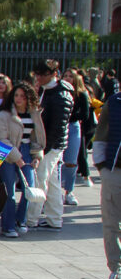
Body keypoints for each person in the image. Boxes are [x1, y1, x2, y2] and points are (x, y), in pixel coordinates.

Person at [0, 84, 45, 239]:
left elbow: (38, 137)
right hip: (9, 153)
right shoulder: (3, 116)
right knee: (10, 192)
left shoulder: (34, 114)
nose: (19, 99)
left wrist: (37, 156)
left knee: (30, 189)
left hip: (28, 150)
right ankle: (8, 226)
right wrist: (17, 158)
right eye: (16, 95)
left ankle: (20, 220)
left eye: (23, 96)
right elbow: (1, 139)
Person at [29, 60, 73, 230]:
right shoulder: (48, 90)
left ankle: (31, 218)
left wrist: (44, 149)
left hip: (51, 145)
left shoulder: (60, 95)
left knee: (40, 180)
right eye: (37, 74)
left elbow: (58, 128)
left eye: (43, 74)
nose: (39, 77)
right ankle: (54, 218)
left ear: (54, 74)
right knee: (52, 182)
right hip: (51, 144)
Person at [92, 83, 121, 279]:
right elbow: (101, 135)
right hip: (115, 169)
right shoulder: (115, 102)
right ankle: (117, 268)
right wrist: (102, 166)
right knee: (112, 222)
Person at [62, 69, 92, 207]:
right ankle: (56, 192)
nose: (68, 78)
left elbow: (85, 115)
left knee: (71, 161)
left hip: (73, 127)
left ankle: (69, 191)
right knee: (57, 161)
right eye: (65, 76)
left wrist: (70, 116)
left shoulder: (81, 94)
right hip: (59, 126)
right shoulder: (59, 92)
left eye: (71, 76)